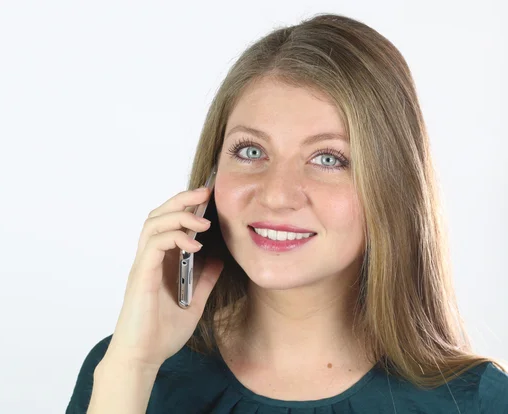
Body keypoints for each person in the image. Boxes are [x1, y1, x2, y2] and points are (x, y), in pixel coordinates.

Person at [66, 12, 508, 413]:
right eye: (251, 150)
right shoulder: (125, 368)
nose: (277, 195)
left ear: (392, 188)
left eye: (329, 158)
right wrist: (134, 365)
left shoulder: (478, 401)